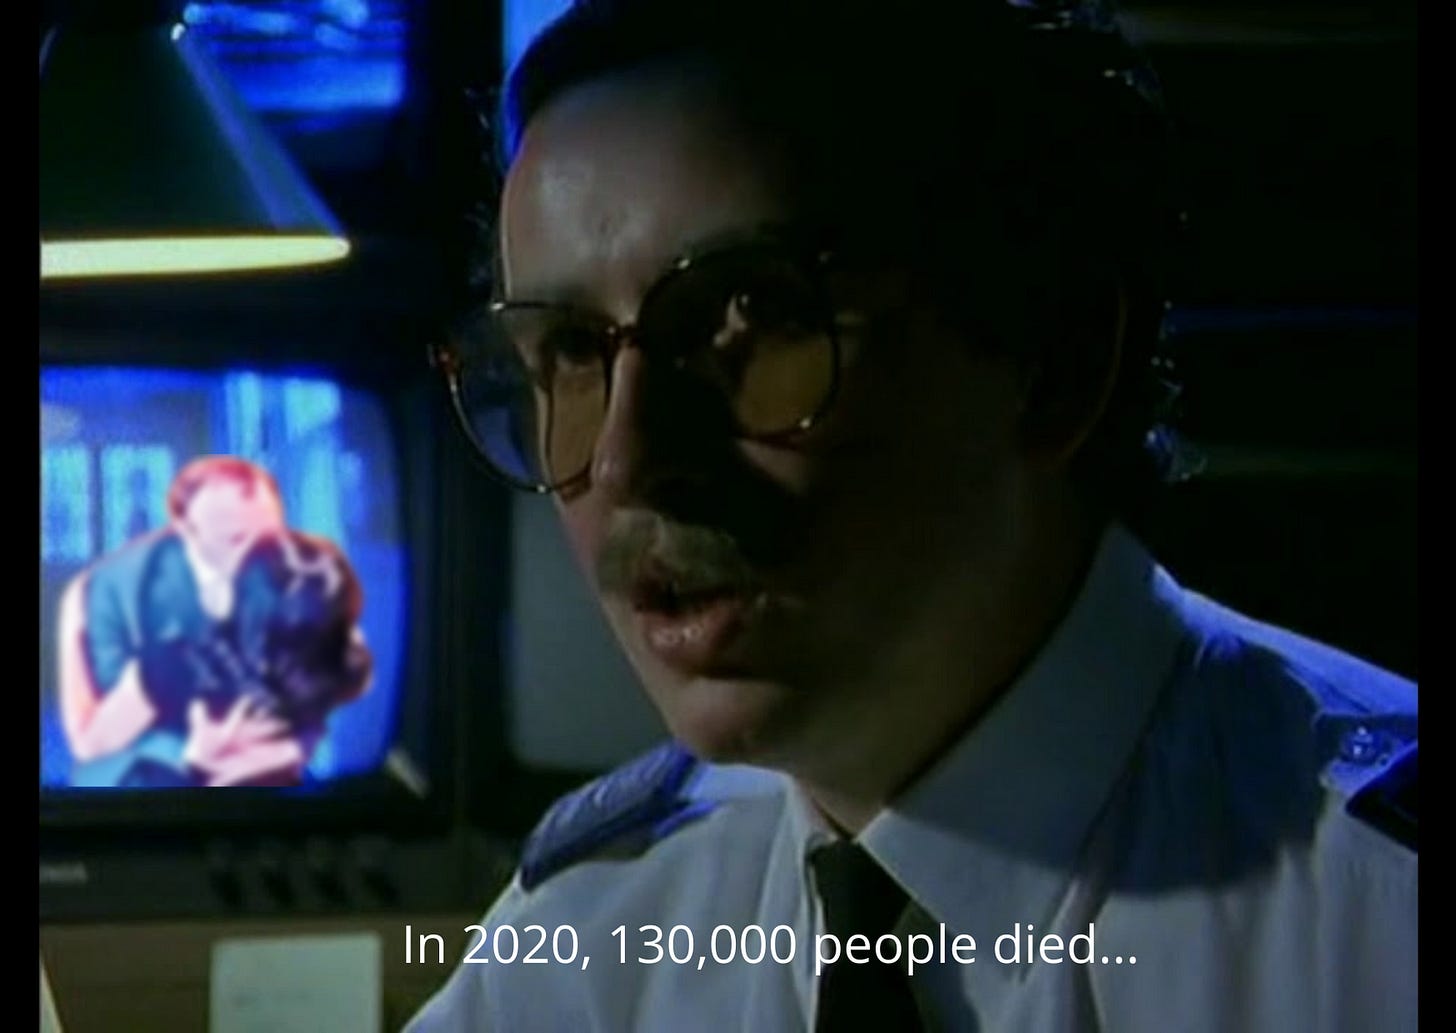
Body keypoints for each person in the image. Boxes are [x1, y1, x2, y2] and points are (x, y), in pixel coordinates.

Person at [410, 1, 1417, 1030]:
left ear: (1055, 360)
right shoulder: (592, 936)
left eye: (751, 314)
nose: (627, 460)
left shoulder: (1380, 918)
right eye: (571, 350)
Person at [57, 455, 372, 787]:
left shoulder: (306, 578)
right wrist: (196, 761)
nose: (259, 556)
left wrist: (285, 752)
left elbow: (324, 690)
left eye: (268, 539)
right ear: (186, 531)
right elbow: (93, 744)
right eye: (235, 539)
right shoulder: (117, 592)